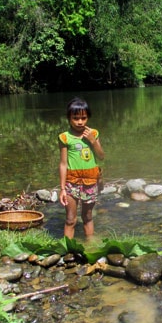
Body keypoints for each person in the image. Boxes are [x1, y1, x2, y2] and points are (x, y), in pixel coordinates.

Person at [59, 98, 105, 240]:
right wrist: (62, 189)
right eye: (76, 118)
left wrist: (92, 141)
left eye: (84, 118)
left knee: (88, 216)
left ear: (88, 117)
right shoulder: (65, 137)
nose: (80, 122)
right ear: (69, 118)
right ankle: (67, 248)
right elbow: (63, 164)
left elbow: (101, 156)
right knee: (70, 219)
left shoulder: (93, 133)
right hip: (71, 181)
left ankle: (90, 246)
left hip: (90, 180)